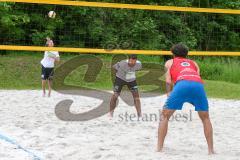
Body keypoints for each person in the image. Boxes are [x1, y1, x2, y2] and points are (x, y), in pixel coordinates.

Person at [157, 43, 215, 154]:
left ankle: (159, 148)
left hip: (182, 85)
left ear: (173, 53)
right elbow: (196, 77)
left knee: (164, 116)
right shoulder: (194, 63)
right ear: (186, 54)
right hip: (198, 85)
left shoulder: (169, 62)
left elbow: (168, 81)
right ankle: (210, 150)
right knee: (206, 118)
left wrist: (169, 93)